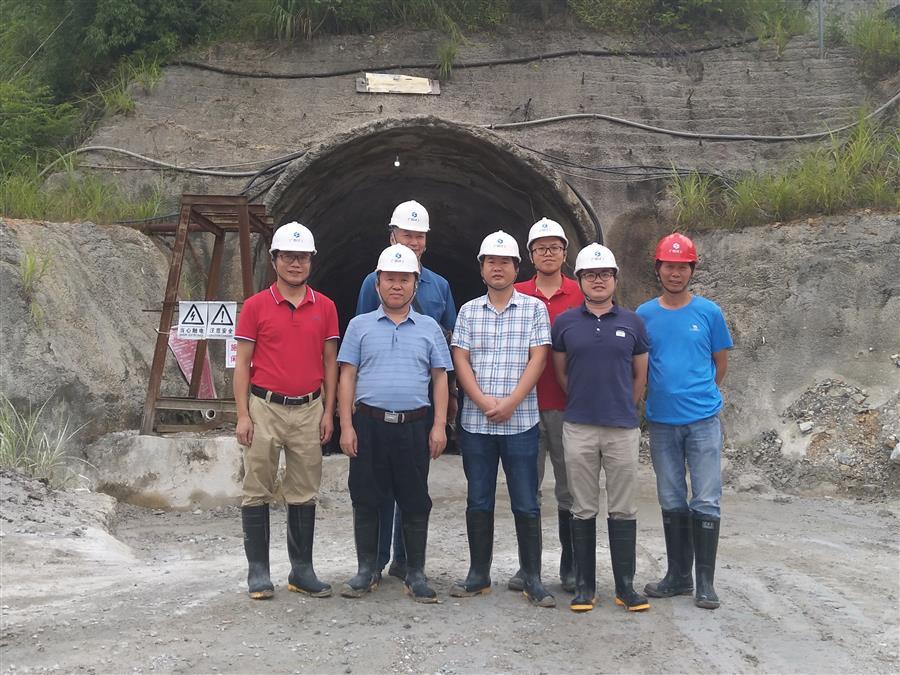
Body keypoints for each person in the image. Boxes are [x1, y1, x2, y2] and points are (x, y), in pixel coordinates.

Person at [338, 244, 452, 603]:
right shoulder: (358, 326)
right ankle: (366, 569)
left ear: (415, 285)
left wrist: (439, 426)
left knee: (415, 499)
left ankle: (414, 572)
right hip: (368, 424)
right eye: (390, 279)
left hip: (414, 426)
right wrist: (346, 426)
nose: (397, 286)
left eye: (405, 279)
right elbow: (347, 376)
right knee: (366, 497)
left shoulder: (430, 328)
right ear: (377, 283)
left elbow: (440, 378)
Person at [448, 230, 555, 608]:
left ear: (516, 268)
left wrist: (512, 402)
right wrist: (479, 400)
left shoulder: (534, 309)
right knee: (478, 500)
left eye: (505, 262)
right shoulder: (468, 311)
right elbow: (460, 359)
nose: (498, 268)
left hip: (521, 421)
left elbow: (539, 357)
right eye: (491, 262)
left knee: (526, 502)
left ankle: (533, 578)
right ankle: (478, 575)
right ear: (481, 269)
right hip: (476, 426)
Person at [233, 222, 338, 600]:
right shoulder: (255, 306)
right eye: (289, 257)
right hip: (265, 407)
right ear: (275, 259)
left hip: (308, 408)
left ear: (311, 261)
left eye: (303, 257)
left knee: (304, 490)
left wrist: (328, 411)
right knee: (256, 488)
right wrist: (243, 415)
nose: (296, 263)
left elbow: (330, 362)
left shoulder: (325, 307)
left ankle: (302, 571)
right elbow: (242, 363)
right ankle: (259, 572)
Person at [355, 200, 457, 583]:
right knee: (377, 486)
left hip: (421, 404)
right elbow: (362, 338)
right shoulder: (374, 281)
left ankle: (405, 561)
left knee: (412, 485)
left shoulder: (440, 286)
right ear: (392, 235)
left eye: (419, 236)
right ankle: (375, 561)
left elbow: (449, 345)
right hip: (378, 403)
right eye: (407, 234)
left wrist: (447, 409)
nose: (413, 242)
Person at [636, 233, 733, 610]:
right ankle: (678, 575)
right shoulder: (644, 315)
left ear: (692, 270)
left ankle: (705, 583)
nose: (675, 273)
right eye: (668, 266)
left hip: (703, 421)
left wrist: (699, 395)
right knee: (671, 496)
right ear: (657, 268)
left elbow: (720, 363)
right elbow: (640, 364)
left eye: (682, 267)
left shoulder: (709, 312)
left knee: (706, 497)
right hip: (661, 422)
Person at [552, 243, 650, 613]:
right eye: (591, 274)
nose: (598, 280)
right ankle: (585, 587)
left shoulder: (632, 322)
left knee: (623, 507)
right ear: (579, 280)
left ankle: (625, 587)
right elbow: (562, 373)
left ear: (614, 279)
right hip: (579, 426)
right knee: (582, 507)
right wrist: (584, 399)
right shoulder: (565, 323)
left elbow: (640, 374)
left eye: (605, 274)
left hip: (621, 427)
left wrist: (624, 404)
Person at [509, 217, 583, 594]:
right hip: (524, 407)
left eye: (554, 247)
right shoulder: (516, 293)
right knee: (527, 490)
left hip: (569, 407)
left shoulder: (582, 293)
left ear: (565, 252)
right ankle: (529, 567)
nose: (548, 253)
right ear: (530, 255)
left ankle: (571, 566)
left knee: (570, 490)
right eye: (541, 248)